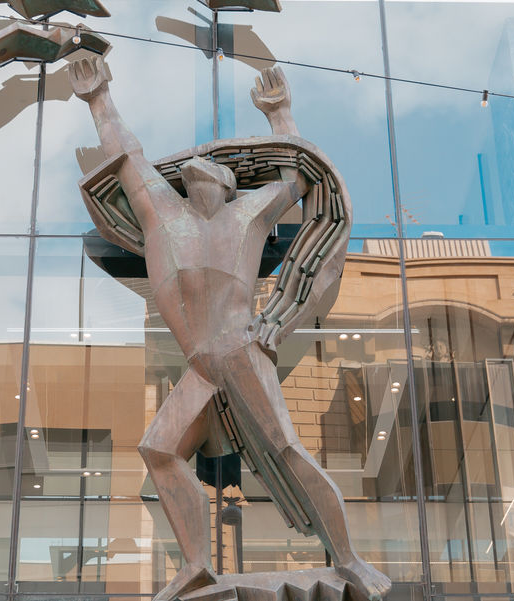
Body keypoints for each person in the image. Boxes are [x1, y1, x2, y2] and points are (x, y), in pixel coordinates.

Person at [67, 56, 390, 601]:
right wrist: (99, 99)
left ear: (230, 185)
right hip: (201, 366)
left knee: (287, 449)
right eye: (194, 165)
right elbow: (128, 156)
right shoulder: (163, 215)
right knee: (159, 450)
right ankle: (196, 564)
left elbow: (297, 176)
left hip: (240, 350)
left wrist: (280, 115)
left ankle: (350, 559)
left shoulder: (248, 216)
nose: (201, 166)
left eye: (215, 167)